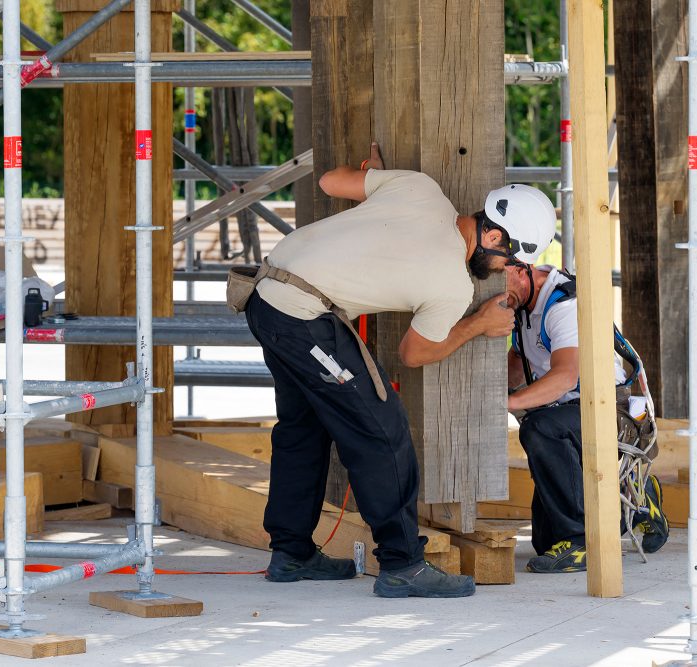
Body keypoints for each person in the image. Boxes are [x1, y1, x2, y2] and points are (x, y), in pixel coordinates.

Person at [240, 143, 557, 598]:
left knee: (303, 428)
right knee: (382, 431)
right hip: (300, 316)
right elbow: (414, 353)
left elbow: (332, 180)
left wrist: (376, 179)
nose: (507, 270)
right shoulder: (450, 281)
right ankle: (403, 564)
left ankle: (291, 554)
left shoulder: (418, 188)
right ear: (492, 238)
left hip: (267, 293)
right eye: (511, 259)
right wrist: (478, 325)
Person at [505, 262, 670, 573]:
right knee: (545, 542)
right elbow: (518, 361)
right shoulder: (523, 306)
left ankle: (582, 540)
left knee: (539, 429)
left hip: (610, 409)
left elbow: (565, 377)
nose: (497, 296)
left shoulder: (562, 303)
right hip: (570, 413)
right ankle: (641, 498)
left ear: (518, 267)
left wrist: (510, 401)